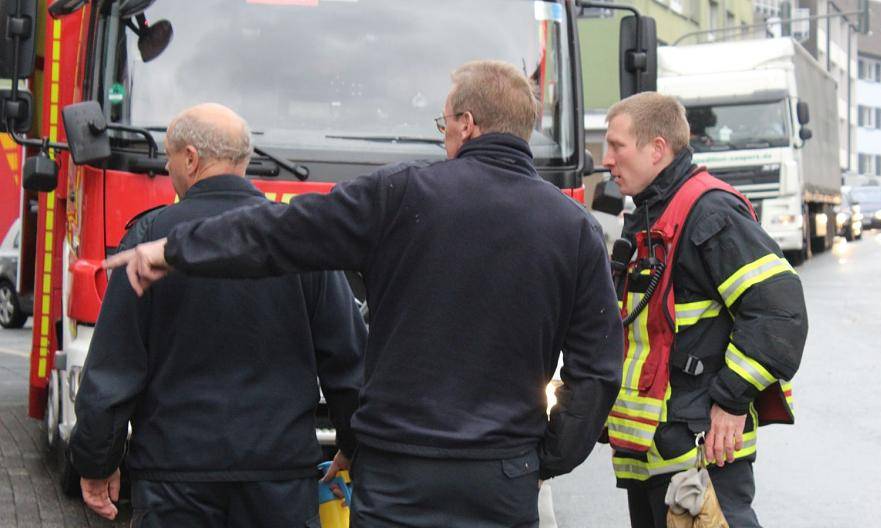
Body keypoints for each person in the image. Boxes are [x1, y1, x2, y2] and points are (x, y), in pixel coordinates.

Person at [104, 61, 624, 527]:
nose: (444, 136)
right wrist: (545, 457)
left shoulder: (400, 195)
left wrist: (175, 249)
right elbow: (597, 370)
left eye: (444, 123)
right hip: (502, 477)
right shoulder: (575, 228)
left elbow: (279, 234)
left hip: (397, 475)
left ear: (467, 123)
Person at [69, 103, 366, 527]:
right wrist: (354, 447)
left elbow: (114, 367)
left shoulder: (150, 239)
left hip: (174, 480)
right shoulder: (299, 238)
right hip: (279, 479)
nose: (167, 168)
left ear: (191, 159)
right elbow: (348, 359)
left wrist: (97, 461)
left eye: (170, 157)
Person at [600, 92, 807, 527]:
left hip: (700, 454)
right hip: (655, 455)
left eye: (617, 146)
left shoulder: (708, 211)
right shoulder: (649, 213)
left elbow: (779, 310)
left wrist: (732, 400)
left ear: (657, 148)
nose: (606, 159)